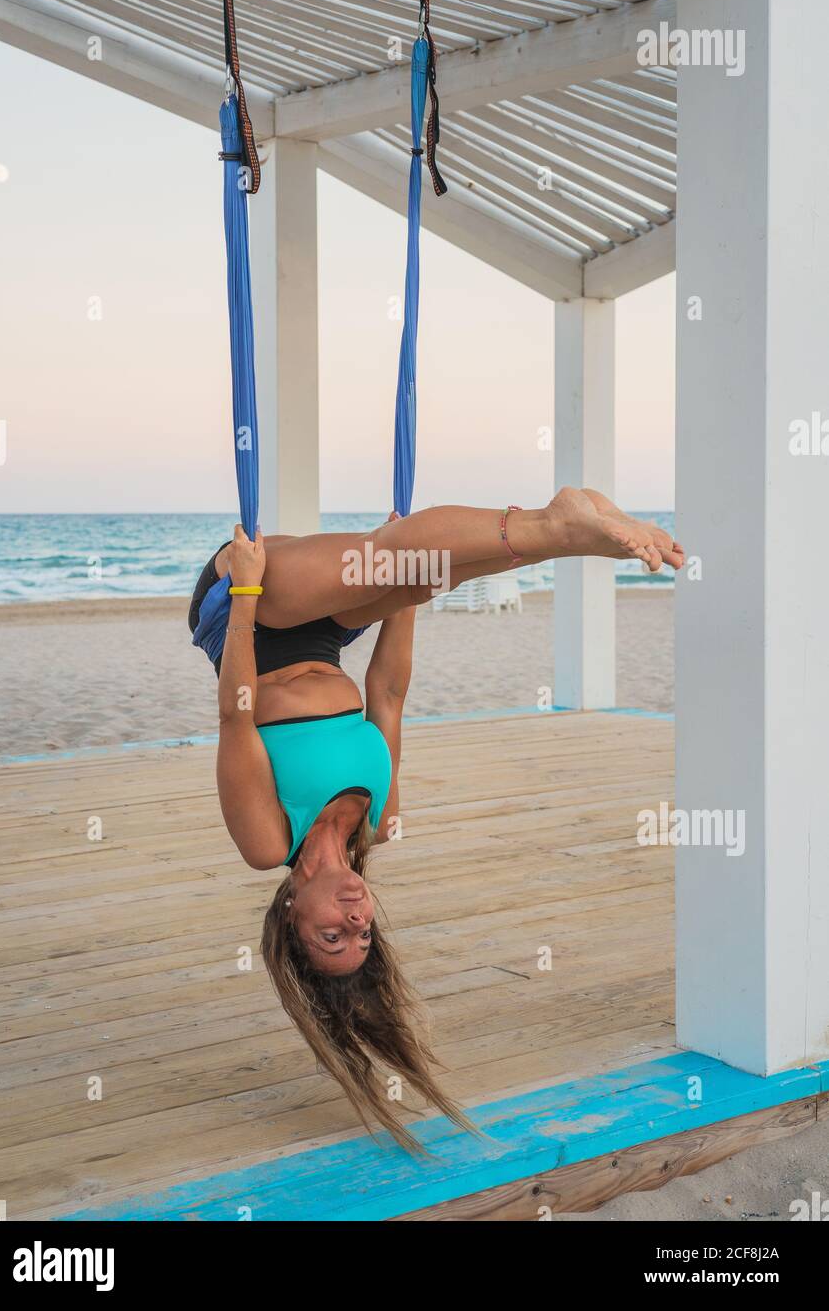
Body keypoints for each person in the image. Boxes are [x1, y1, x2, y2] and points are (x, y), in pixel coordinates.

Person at [188, 487, 683, 1149]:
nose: (356, 922)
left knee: (394, 558)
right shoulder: (380, 820)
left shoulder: (267, 840)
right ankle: (561, 531)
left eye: (332, 938)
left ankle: (560, 524)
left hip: (248, 617)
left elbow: (238, 711)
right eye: (363, 938)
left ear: (290, 916)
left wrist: (244, 591)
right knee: (422, 573)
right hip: (330, 633)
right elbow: (387, 696)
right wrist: (409, 604)